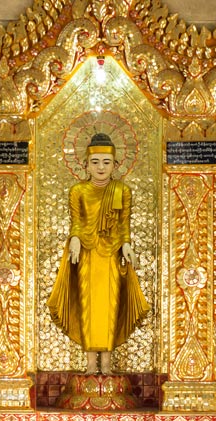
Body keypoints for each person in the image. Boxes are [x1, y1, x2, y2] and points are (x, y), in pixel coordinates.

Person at [47, 132, 149, 375]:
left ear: (115, 165)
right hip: (86, 252)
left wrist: (126, 245)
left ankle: (107, 367)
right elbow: (77, 221)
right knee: (87, 306)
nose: (101, 167)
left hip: (112, 252)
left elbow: (124, 223)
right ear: (85, 165)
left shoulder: (121, 190)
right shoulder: (78, 191)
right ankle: (91, 366)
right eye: (95, 162)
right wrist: (74, 239)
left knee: (110, 305)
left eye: (106, 162)